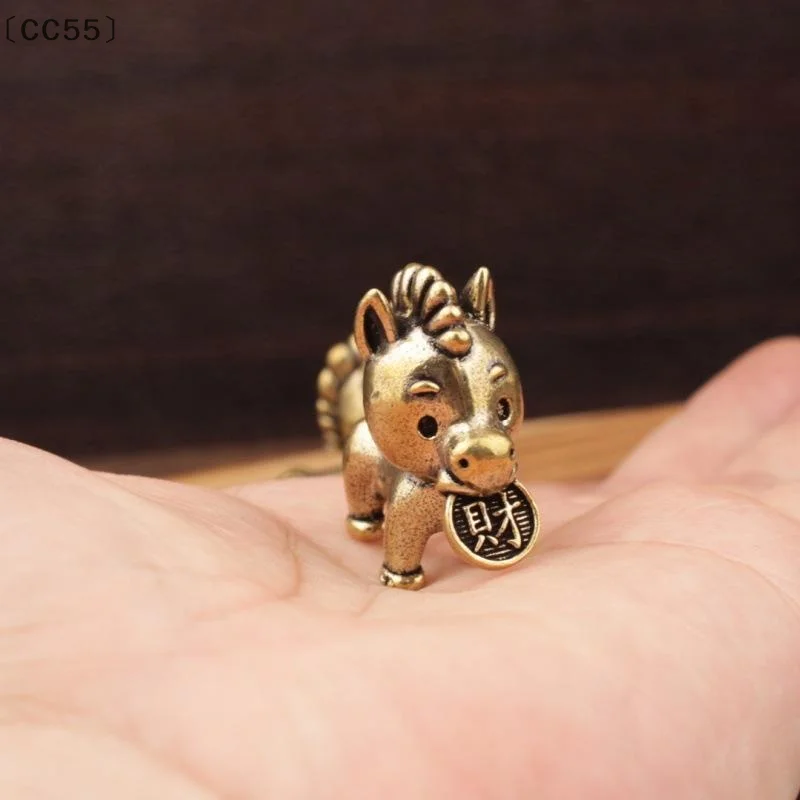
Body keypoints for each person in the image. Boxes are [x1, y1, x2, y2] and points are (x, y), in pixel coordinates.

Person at [0, 338, 798, 799]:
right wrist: (395, 552)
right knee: (377, 487)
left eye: (502, 410)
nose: (489, 430)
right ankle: (373, 521)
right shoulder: (397, 471)